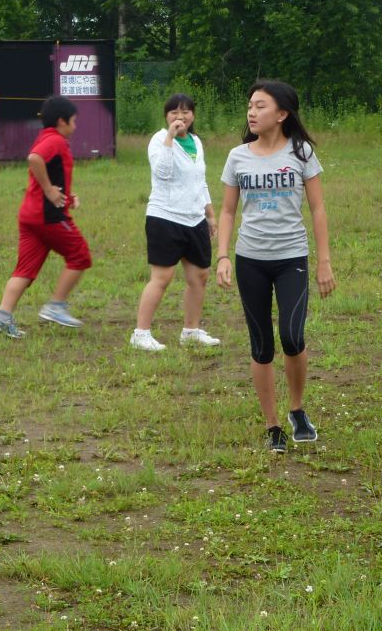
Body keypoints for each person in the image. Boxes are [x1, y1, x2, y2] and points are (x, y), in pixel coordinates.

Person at [216, 80, 336, 453]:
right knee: (261, 345)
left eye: (261, 106)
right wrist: (223, 256)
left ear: (282, 113)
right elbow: (227, 211)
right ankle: (272, 426)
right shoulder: (238, 157)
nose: (251, 112)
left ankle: (297, 409)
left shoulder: (301, 153)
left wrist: (324, 262)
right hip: (250, 260)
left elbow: (317, 208)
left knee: (292, 336)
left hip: (291, 259)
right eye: (250, 105)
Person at [0, 95, 92, 338]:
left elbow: (50, 171)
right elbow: (34, 158)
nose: (75, 126)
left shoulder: (47, 137)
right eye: (74, 121)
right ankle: (56, 306)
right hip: (48, 217)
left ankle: (2, 317)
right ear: (62, 121)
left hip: (30, 215)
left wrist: (66, 195)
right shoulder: (55, 140)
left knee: (24, 270)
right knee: (80, 256)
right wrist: (49, 190)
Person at [131, 93, 220, 351]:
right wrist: (170, 137)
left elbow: (199, 181)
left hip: (194, 218)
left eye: (186, 112)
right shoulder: (159, 140)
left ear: (193, 115)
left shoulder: (196, 142)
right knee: (162, 277)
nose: (180, 117)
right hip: (165, 217)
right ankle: (140, 333)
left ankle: (191, 331)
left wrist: (209, 214)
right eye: (174, 112)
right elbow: (162, 172)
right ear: (166, 116)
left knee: (200, 275)